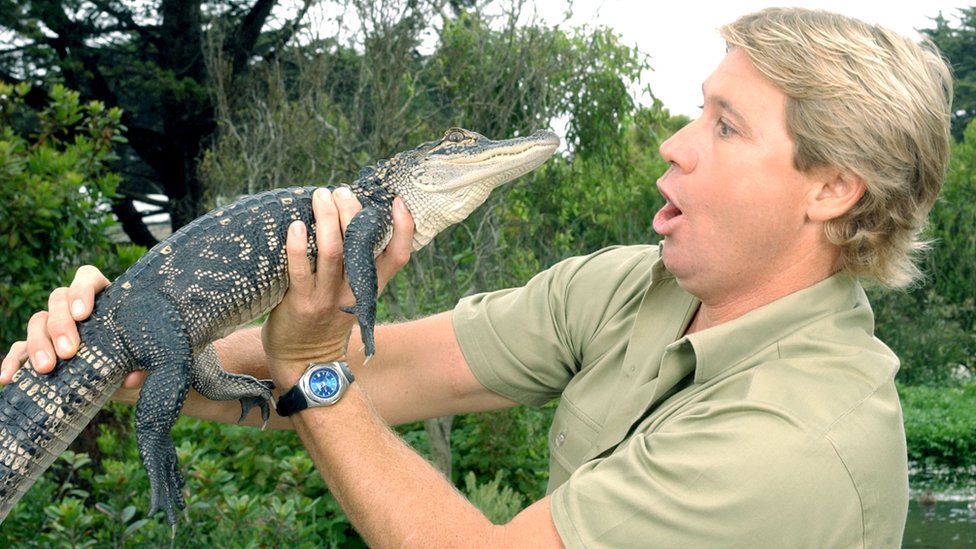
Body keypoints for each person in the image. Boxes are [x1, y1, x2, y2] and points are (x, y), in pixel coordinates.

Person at [1, 7, 953, 547]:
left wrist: (314, 368)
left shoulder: (792, 445)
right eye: (695, 112)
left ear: (832, 188)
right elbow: (398, 369)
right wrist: (109, 357)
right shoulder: (633, 287)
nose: (673, 142)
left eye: (725, 125)